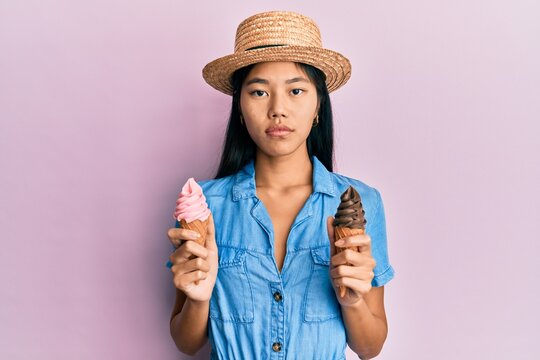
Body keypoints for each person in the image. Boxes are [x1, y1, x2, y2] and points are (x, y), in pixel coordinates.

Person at [166, 10, 395, 359]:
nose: (278, 110)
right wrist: (198, 298)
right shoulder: (203, 203)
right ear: (239, 109)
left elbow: (370, 346)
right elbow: (187, 342)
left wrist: (353, 300)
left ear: (318, 105)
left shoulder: (359, 202)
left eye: (296, 91)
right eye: (259, 92)